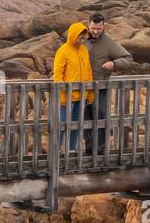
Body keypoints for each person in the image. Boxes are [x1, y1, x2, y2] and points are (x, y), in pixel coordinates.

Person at [85, 12, 133, 155]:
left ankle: (100, 152)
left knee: (101, 118)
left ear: (103, 26)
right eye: (93, 28)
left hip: (101, 88)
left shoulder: (108, 42)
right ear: (88, 25)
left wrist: (114, 63)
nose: (95, 31)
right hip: (82, 89)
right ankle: (88, 151)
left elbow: (128, 58)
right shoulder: (83, 39)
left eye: (98, 29)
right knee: (84, 119)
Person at [52, 22, 95, 155]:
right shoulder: (63, 51)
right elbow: (58, 75)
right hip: (67, 96)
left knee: (76, 125)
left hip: (81, 95)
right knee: (62, 125)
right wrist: (63, 94)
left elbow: (88, 72)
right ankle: (56, 152)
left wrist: (90, 92)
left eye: (84, 38)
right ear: (72, 35)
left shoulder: (83, 50)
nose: (81, 41)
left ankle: (70, 152)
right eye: (79, 38)